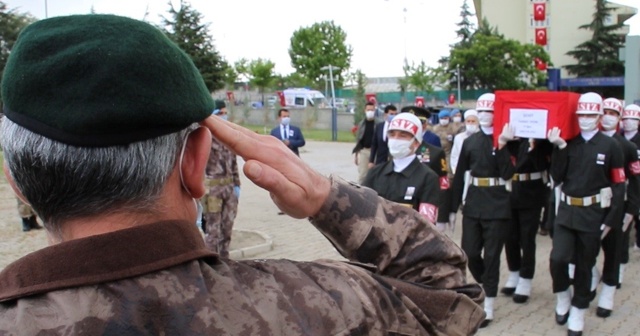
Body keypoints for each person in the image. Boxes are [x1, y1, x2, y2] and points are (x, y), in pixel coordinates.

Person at [0, 14, 485, 335]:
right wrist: (322, 195)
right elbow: (452, 298)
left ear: (16, 179)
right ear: (195, 164)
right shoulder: (320, 306)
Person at [547, 92, 625, 336]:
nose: (585, 119)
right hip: (568, 211)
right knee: (558, 259)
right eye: (581, 115)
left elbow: (619, 185)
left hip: (593, 214)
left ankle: (579, 310)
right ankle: (562, 297)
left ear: (599, 116)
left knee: (584, 264)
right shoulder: (570, 143)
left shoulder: (611, 145)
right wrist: (559, 147)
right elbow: (557, 177)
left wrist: (611, 220)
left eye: (591, 115)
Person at [450, 92, 515, 328]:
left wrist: (503, 145)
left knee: (492, 255)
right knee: (470, 251)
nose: (485, 116)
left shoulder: (508, 139)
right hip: (475, 200)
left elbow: (507, 173)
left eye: (490, 111)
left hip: (498, 202)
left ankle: (488, 302)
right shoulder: (470, 141)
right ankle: (485, 284)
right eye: (482, 111)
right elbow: (460, 176)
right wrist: (451, 209)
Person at [592, 98, 640, 318]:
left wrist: (631, 210)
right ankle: (592, 277)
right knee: (585, 250)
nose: (608, 116)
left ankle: (608, 294)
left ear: (619, 117)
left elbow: (635, 182)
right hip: (593, 207)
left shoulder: (629, 147)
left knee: (613, 253)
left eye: (613, 112)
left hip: (618, 208)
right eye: (605, 112)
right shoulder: (592, 141)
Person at [363, 112, 441, 225]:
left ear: (416, 142)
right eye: (392, 134)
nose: (396, 139)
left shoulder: (428, 178)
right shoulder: (375, 173)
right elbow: (362, 213)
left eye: (403, 135)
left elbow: (426, 227)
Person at [501, 135, 552, 304]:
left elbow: (543, 165)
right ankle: (514, 272)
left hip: (532, 193)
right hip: (510, 192)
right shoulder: (510, 139)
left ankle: (526, 278)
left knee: (527, 238)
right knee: (510, 237)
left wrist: (533, 146)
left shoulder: (540, 140)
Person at [203, 101, 241, 257]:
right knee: (213, 231)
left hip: (229, 188)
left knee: (227, 228)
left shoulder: (228, 137)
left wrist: (237, 185)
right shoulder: (204, 136)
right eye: (221, 113)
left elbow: (233, 163)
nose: (225, 116)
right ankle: (211, 266)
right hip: (212, 190)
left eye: (225, 113)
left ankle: (225, 262)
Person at [408, 106, 452, 234]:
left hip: (426, 206)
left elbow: (443, 186)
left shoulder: (435, 152)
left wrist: (442, 217)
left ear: (424, 125)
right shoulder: (395, 151)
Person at [621, 103, 640, 253]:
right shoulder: (617, 139)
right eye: (626, 118)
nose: (628, 121)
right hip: (622, 182)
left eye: (633, 119)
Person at [352, 102, 379, 183]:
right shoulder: (362, 124)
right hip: (364, 151)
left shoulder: (379, 123)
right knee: (363, 175)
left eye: (372, 110)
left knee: (376, 174)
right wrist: (356, 155)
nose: (370, 111)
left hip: (376, 152)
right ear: (365, 110)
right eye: (368, 110)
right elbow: (358, 140)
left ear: (374, 110)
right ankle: (360, 192)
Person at [450, 109, 479, 174]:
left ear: (477, 122)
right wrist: (455, 171)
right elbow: (454, 155)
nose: (470, 123)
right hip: (462, 170)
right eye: (468, 121)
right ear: (465, 122)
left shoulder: (482, 137)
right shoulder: (459, 137)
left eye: (473, 121)